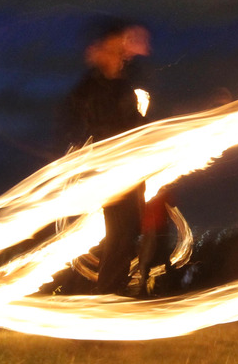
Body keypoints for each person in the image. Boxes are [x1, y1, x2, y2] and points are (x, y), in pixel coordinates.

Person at [61, 18, 152, 295]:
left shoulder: (122, 87)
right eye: (112, 50)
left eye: (120, 51)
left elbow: (136, 123)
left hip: (129, 168)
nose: (119, 56)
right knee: (120, 231)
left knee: (126, 231)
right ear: (98, 53)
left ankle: (110, 292)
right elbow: (91, 127)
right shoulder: (91, 89)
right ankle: (107, 295)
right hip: (111, 169)